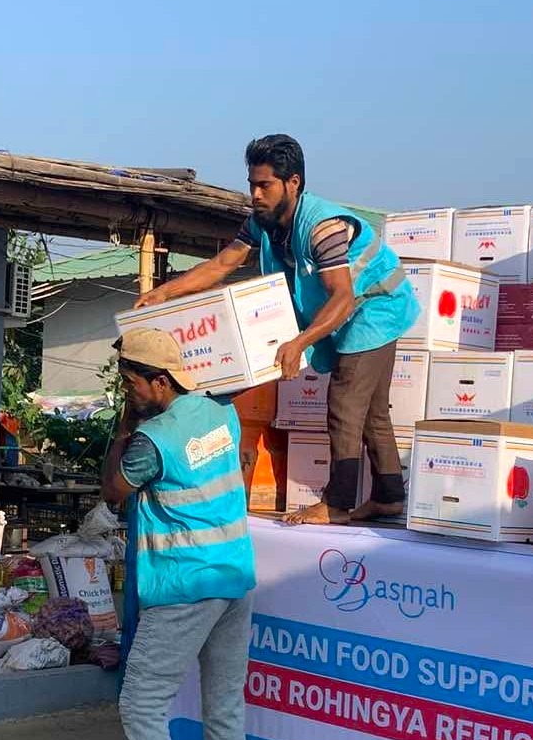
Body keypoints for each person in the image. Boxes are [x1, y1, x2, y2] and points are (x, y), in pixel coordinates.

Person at [135, 133, 419, 526]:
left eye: (264, 185)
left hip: (375, 305)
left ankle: (337, 504)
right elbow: (222, 264)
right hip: (353, 308)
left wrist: (300, 341)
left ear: (293, 183)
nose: (255, 194)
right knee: (372, 413)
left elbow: (342, 297)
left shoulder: (322, 227)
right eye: (252, 184)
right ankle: (388, 498)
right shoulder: (262, 223)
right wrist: (165, 292)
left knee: (345, 402)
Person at [86, 328, 255, 740]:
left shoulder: (150, 441)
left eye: (129, 382)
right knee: (224, 710)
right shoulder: (221, 414)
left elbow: (113, 491)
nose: (125, 391)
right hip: (234, 578)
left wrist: (123, 427)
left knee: (140, 706)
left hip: (185, 585)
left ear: (159, 381)